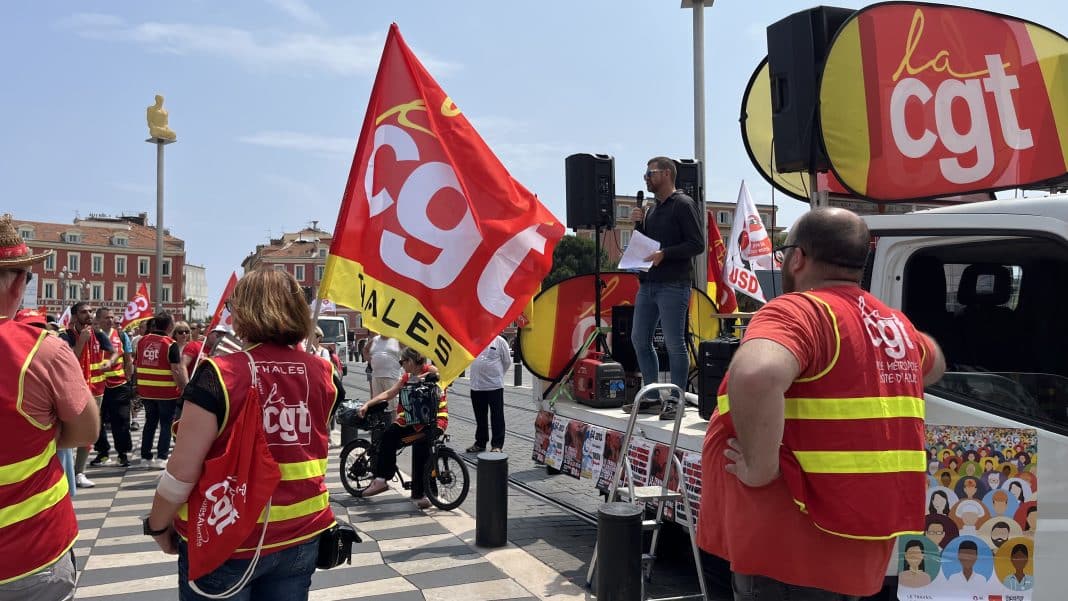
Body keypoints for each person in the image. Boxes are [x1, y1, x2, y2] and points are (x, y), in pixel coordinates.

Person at [697, 208, 946, 599]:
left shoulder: (800, 310)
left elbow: (756, 374)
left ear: (797, 258)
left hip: (791, 553)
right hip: (853, 551)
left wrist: (759, 469)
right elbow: (935, 362)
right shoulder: (893, 325)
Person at [146, 268, 343, 600]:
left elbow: (182, 472)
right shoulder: (325, 373)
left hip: (226, 535)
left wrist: (157, 524)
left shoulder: (220, 374)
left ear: (244, 311)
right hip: (302, 532)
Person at [0, 214, 99, 599]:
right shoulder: (41, 350)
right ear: (18, 284)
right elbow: (86, 430)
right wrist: (40, 433)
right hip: (31, 552)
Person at [628, 156, 704, 401]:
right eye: (646, 175)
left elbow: (697, 244)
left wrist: (665, 254)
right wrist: (638, 225)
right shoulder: (651, 210)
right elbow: (646, 244)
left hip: (674, 284)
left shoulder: (683, 204)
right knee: (640, 339)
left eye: (650, 173)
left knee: (674, 343)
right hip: (648, 284)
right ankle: (651, 396)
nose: (646, 178)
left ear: (667, 174)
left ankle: (675, 399)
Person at [356, 348, 448, 509]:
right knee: (389, 436)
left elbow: (442, 377)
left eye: (402, 362)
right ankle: (397, 484)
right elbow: (389, 393)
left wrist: (425, 378)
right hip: (411, 421)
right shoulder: (406, 377)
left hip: (435, 421)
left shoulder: (431, 370)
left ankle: (425, 493)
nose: (401, 366)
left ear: (410, 361)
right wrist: (368, 404)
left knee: (422, 448)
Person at [58, 300, 113, 489]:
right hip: (71, 390)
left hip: (95, 390)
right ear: (74, 316)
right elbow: (70, 359)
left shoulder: (98, 334)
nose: (88, 315)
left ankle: (79, 472)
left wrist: (110, 362)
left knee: (88, 432)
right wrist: (81, 341)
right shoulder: (65, 336)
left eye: (90, 311)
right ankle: (64, 472)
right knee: (67, 430)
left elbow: (113, 351)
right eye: (83, 312)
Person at [135, 313, 187, 469]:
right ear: (170, 326)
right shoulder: (170, 344)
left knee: (150, 423)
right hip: (166, 392)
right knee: (166, 424)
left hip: (146, 390)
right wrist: (183, 388)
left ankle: (145, 457)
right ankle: (161, 457)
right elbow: (176, 370)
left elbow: (138, 363)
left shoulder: (142, 341)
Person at [90, 307, 134, 468]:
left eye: (111, 317)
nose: (110, 320)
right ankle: (102, 453)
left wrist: (129, 379)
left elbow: (128, 358)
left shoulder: (121, 335)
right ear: (98, 320)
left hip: (119, 385)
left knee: (121, 420)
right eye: (106, 318)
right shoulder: (92, 336)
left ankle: (122, 454)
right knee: (97, 420)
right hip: (97, 385)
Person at [466, 333, 511, 453]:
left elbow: (507, 362)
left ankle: (497, 445)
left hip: (494, 386)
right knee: (480, 417)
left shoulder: (499, 341)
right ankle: (480, 443)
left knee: (497, 416)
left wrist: (497, 375)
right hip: (476, 386)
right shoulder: (474, 339)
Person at [362, 332, 403, 417]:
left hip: (392, 376)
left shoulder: (397, 339)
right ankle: (380, 424)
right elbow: (365, 350)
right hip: (376, 376)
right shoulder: (374, 340)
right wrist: (370, 360)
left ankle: (394, 423)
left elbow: (409, 351)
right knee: (377, 404)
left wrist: (400, 364)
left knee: (393, 405)